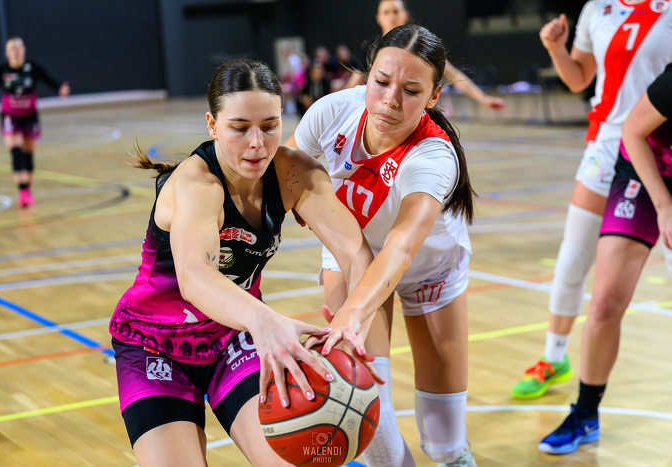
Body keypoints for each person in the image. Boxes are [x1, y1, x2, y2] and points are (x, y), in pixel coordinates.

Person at [108, 59, 380, 467]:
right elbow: (195, 277)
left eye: (270, 126)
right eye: (240, 128)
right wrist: (264, 320)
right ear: (212, 125)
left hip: (233, 338)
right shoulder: (197, 186)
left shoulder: (294, 173)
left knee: (291, 460)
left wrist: (353, 323)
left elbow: (356, 252)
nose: (257, 143)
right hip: (154, 346)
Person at [288, 24, 477, 467]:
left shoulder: (433, 156)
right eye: (382, 81)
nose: (391, 100)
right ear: (367, 74)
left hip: (429, 267)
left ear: (433, 97)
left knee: (445, 440)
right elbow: (284, 168)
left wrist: (353, 312)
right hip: (352, 255)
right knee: (367, 410)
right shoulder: (333, 111)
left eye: (411, 91)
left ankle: (455, 455)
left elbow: (401, 248)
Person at [512, 0, 672, 400]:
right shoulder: (596, 9)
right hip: (606, 146)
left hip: (658, 148)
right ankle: (554, 358)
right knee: (572, 258)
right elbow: (580, 78)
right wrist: (556, 49)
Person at [539, 63, 672, 454]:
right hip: (645, 171)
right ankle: (585, 414)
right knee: (605, 302)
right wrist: (664, 206)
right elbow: (633, 130)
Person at [344, 0, 505, 112]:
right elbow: (353, 84)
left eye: (395, 11)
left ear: (405, 14)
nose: (391, 17)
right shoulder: (370, 48)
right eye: (386, 12)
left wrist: (484, 99)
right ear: (379, 18)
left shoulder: (420, 46)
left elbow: (453, 75)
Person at [0, 37, 70, 207]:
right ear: (7, 53)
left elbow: (47, 78)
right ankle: (22, 191)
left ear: (24, 50)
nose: (16, 52)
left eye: (18, 48)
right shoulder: (3, 70)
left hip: (30, 116)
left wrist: (59, 88)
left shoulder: (31, 67)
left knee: (28, 154)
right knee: (16, 151)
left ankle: (27, 189)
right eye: (12, 49)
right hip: (10, 117)